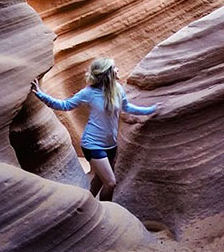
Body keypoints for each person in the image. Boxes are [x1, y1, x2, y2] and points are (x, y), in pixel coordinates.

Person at [31, 57, 157, 201]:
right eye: (114, 68)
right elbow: (65, 105)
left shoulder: (117, 89)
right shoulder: (88, 93)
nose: (117, 70)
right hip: (92, 144)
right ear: (107, 73)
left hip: (111, 145)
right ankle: (106, 212)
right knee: (110, 182)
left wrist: (149, 111)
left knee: (99, 179)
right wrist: (41, 96)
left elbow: (126, 107)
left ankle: (87, 206)